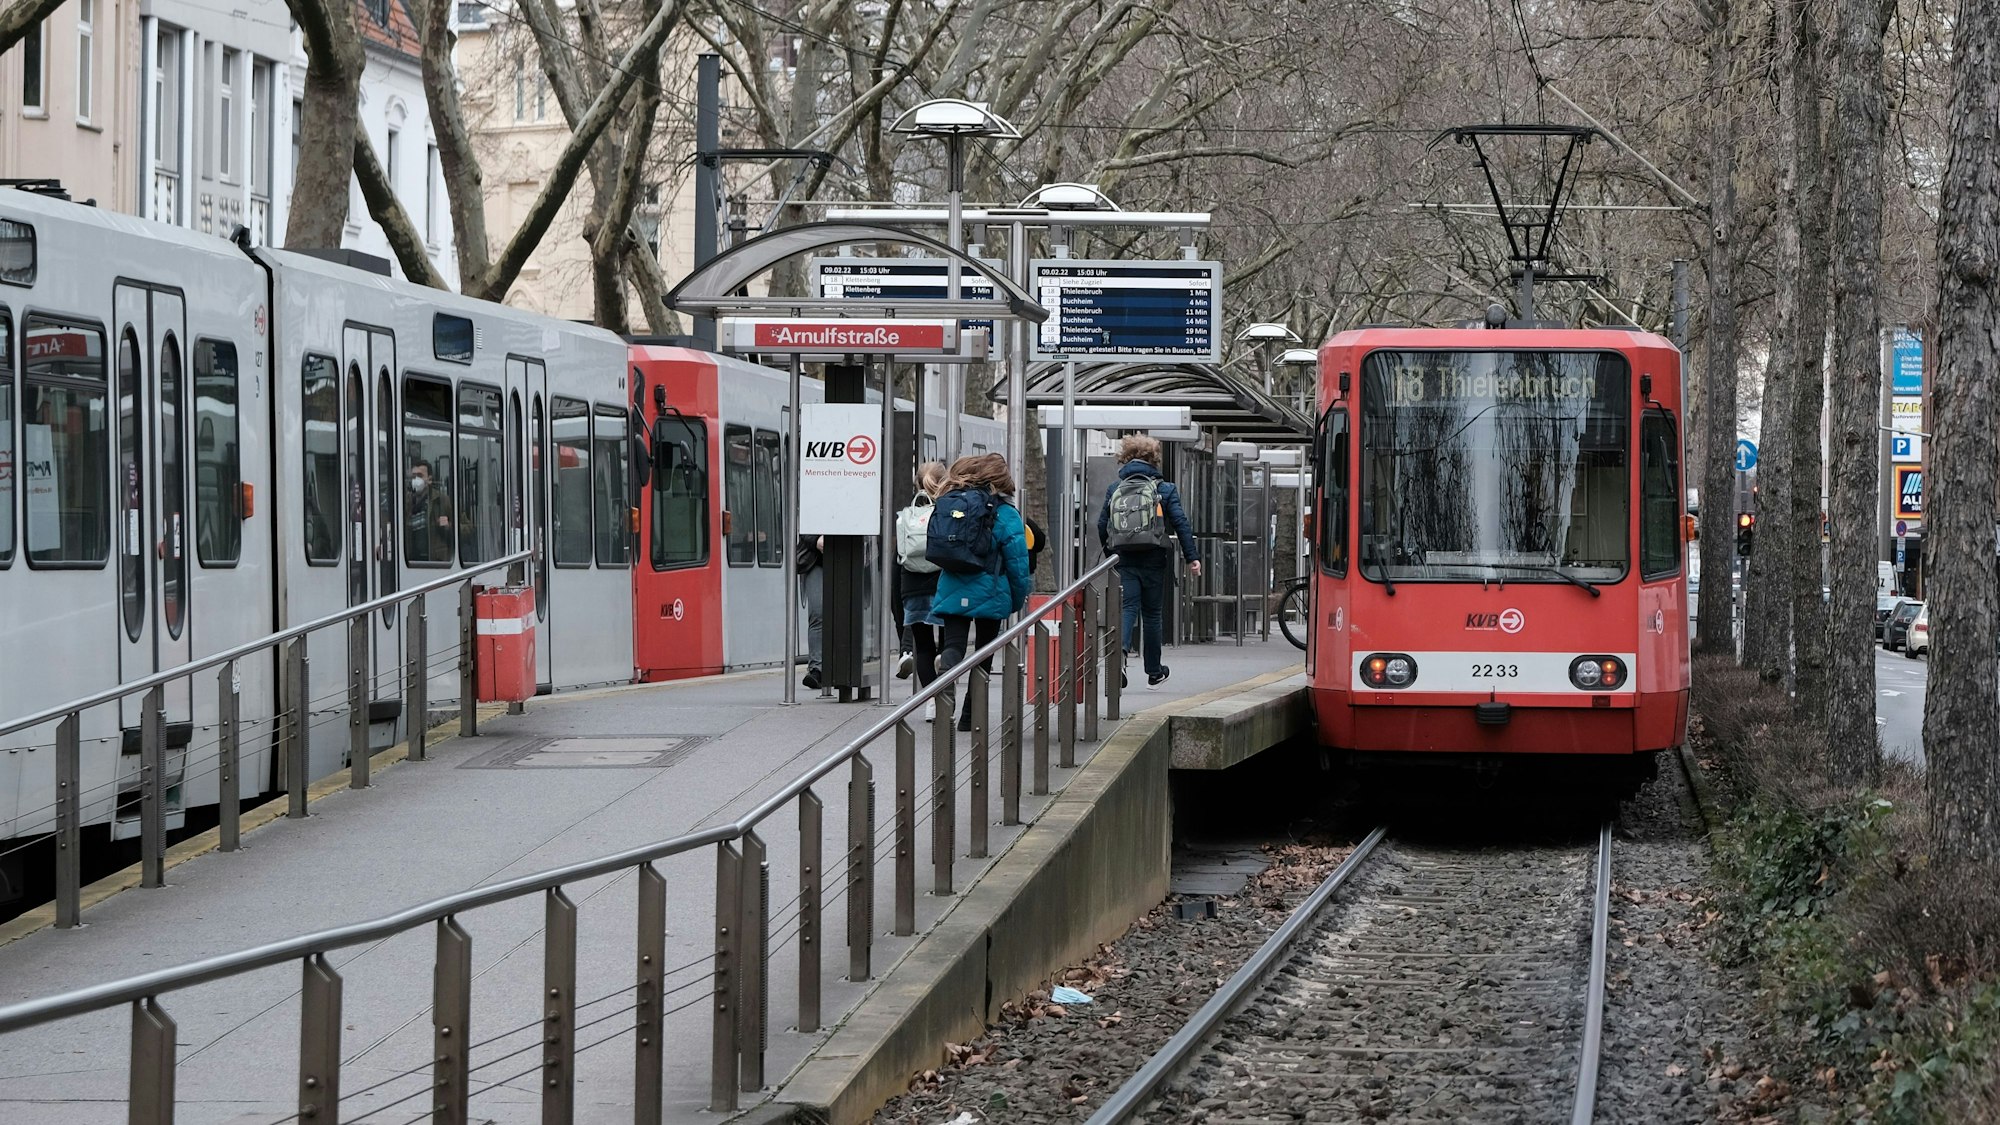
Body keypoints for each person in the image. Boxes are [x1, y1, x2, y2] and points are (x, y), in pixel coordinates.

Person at [932, 453, 1032, 731]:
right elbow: (1018, 563)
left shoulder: (954, 503)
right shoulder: (1006, 513)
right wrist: (1017, 597)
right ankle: (968, 718)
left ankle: (945, 683)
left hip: (952, 586)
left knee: (953, 646)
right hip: (991, 591)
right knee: (983, 654)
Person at [1097, 435, 1200, 689]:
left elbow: (1102, 524)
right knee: (1152, 615)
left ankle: (1120, 654)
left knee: (1127, 608)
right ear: (1154, 459)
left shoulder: (1115, 488)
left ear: (1126, 458)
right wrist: (1192, 557)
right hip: (1154, 559)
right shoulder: (1164, 489)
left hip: (1125, 558)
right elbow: (1181, 523)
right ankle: (1154, 671)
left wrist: (1111, 552)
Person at [891, 462, 949, 719]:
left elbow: (898, 559)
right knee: (949, 642)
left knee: (922, 646)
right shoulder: (949, 511)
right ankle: (945, 674)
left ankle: (932, 701)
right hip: (944, 583)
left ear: (917, 484)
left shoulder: (907, 515)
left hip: (912, 585)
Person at [407, 458, 454, 563]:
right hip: (411, 562)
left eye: (419, 476)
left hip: (435, 563)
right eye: (413, 476)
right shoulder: (405, 502)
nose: (415, 480)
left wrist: (448, 526)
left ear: (429, 479)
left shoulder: (442, 501)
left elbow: (467, 529)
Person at [797, 534, 825, 690]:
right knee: (817, 613)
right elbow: (804, 525)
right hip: (815, 559)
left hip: (848, 554)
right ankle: (816, 669)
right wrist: (815, 539)